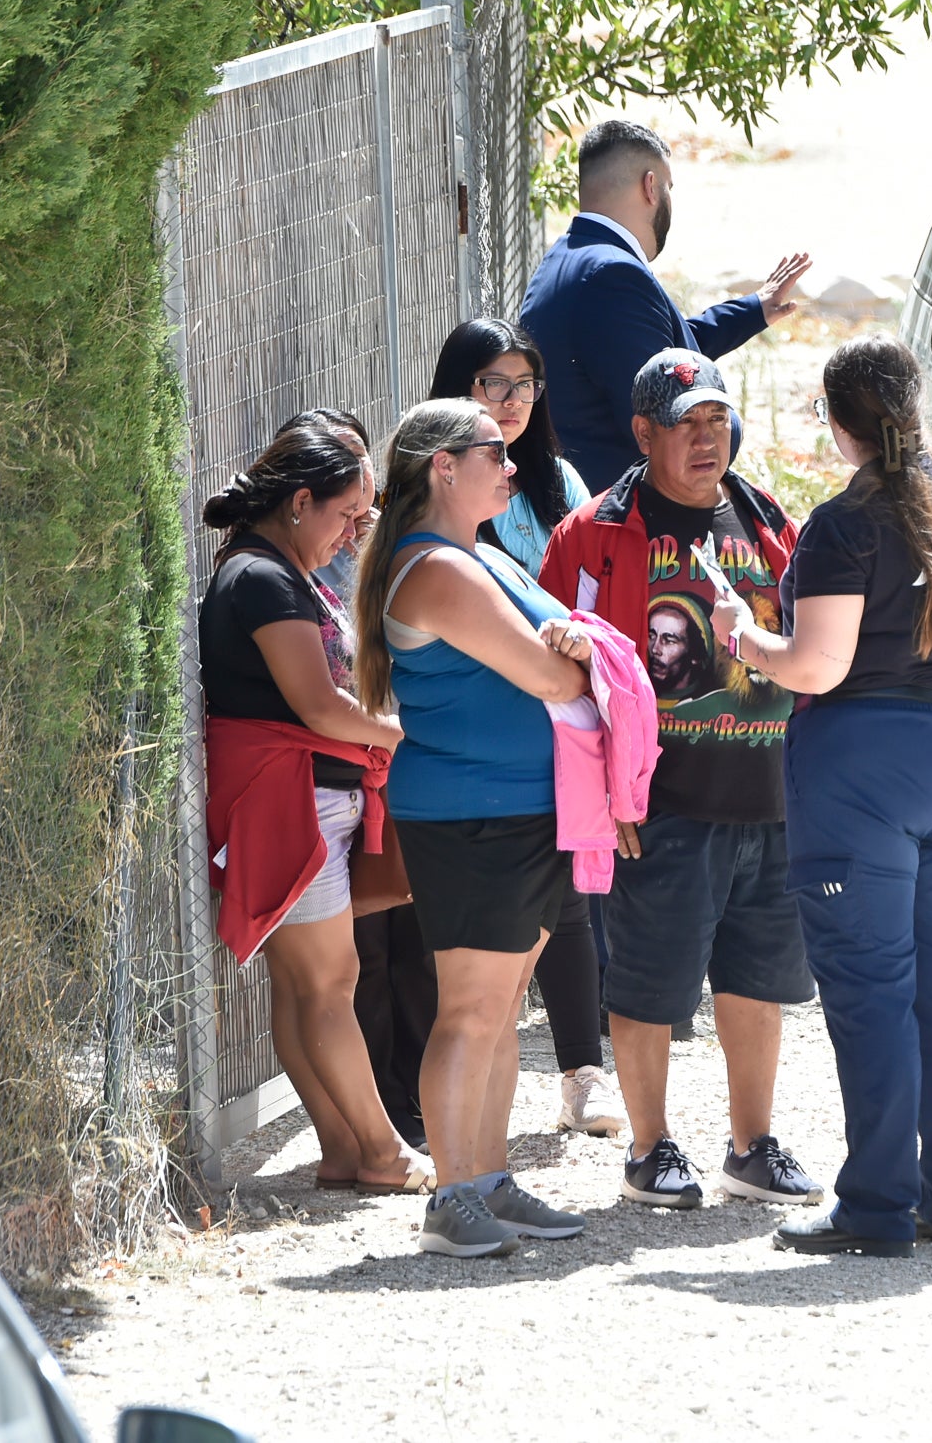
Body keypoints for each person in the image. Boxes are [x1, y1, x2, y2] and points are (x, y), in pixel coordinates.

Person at [708, 334, 932, 1256]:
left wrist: (741, 633)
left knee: (874, 989)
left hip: (868, 764)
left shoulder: (845, 523)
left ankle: (876, 1206)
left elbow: (818, 666)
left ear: (839, 424)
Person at [539, 348, 821, 1210]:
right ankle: (649, 1148)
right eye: (685, 424)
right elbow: (558, 677)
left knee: (758, 979)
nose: (706, 440)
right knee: (649, 985)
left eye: (716, 420)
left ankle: (752, 1146)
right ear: (642, 432)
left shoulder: (767, 519)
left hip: (769, 799)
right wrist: (603, 795)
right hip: (659, 807)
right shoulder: (593, 534)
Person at [353, 397, 596, 1258]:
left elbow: (569, 653)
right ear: (443, 467)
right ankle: (451, 1196)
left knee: (497, 1009)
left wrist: (576, 653)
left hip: (519, 810)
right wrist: (575, 659)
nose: (513, 464)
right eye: (496, 450)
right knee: (471, 1010)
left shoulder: (473, 556)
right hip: (473, 815)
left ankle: (488, 1180)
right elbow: (554, 678)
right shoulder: (439, 570)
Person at [198, 419, 429, 1197]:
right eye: (346, 514)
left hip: (298, 803)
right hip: (291, 806)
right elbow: (320, 706)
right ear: (300, 502)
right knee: (328, 985)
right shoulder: (262, 578)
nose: (353, 532)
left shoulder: (270, 568)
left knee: (307, 988)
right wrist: (409, 735)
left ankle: (344, 1152)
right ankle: (384, 1152)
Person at [428, 318, 624, 1142]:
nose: (513, 402)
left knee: (564, 907)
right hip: (478, 738)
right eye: (493, 384)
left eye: (526, 385)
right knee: (480, 983)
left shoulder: (557, 481)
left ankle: (581, 1075)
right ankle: (459, 1152)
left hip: (558, 731)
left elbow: (588, 598)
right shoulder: (434, 503)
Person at [519, 118, 813, 490]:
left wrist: (754, 310)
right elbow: (669, 424)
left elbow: (663, 358)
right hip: (619, 516)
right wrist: (726, 425)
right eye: (668, 187)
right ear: (650, 186)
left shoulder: (568, 256)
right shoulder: (613, 276)